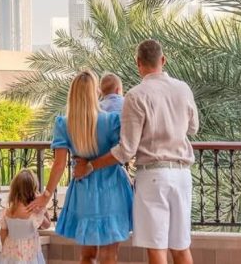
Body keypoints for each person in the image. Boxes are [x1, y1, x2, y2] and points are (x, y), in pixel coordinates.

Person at [73, 40, 199, 264]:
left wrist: (91, 165)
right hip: (182, 175)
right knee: (181, 246)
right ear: (163, 60)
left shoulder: (136, 95)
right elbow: (193, 128)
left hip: (153, 177)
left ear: (138, 63)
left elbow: (126, 150)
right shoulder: (183, 89)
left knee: (156, 247)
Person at [30, 70, 133, 264]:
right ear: (95, 92)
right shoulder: (111, 121)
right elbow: (122, 154)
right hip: (112, 189)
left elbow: (59, 164)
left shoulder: (64, 124)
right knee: (110, 254)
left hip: (83, 192)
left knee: (87, 255)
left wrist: (46, 195)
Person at [0, 169, 51, 264]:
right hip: (30, 256)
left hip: (10, 255)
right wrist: (43, 206)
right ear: (33, 190)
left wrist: (7, 249)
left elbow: (3, 234)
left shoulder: (7, 212)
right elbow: (47, 225)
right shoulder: (33, 213)